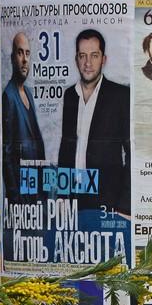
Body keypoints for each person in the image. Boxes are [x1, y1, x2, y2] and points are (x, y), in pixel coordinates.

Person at [57, 29, 131, 215]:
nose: (88, 63)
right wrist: (62, 194)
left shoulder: (121, 96)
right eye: (82, 56)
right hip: (74, 196)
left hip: (109, 200)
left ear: (103, 59)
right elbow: (66, 147)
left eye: (94, 56)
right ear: (76, 59)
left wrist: (125, 206)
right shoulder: (70, 95)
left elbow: (132, 153)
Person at [1, 31, 45, 203]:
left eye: (27, 53)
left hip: (36, 186)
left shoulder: (28, 93)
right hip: (21, 193)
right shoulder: (8, 96)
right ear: (13, 58)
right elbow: (6, 153)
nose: (25, 59)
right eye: (20, 53)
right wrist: (14, 196)